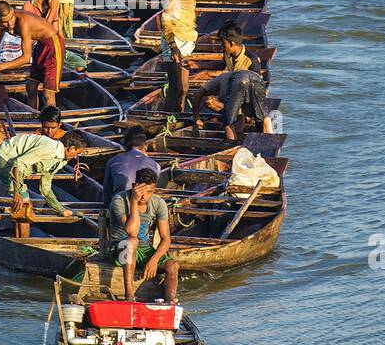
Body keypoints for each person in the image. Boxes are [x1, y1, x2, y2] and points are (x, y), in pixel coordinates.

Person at [0, 126, 89, 231]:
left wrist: (60, 209)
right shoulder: (50, 149)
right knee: (23, 203)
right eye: (77, 153)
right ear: (71, 148)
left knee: (23, 201)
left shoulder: (61, 160)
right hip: (5, 157)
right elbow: (18, 164)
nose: (75, 157)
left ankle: (18, 231)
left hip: (17, 165)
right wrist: (17, 191)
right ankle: (18, 235)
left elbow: (45, 188)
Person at [107, 168, 179, 303]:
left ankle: (170, 303)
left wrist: (154, 260)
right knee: (132, 241)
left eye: (150, 192)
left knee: (173, 266)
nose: (145, 196)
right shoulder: (119, 200)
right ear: (134, 187)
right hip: (120, 249)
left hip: (144, 249)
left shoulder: (158, 203)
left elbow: (166, 239)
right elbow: (131, 232)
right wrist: (134, 202)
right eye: (141, 191)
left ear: (155, 189)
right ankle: (129, 297)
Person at [191, 22, 270, 143]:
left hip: (246, 97)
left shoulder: (251, 61)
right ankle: (232, 120)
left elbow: (256, 89)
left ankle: (239, 126)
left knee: (231, 120)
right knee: (208, 101)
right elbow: (222, 66)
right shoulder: (228, 54)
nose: (221, 46)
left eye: (223, 44)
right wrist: (200, 65)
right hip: (231, 89)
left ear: (232, 44)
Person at [0, 0, 65, 108]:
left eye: (11, 19)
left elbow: (26, 58)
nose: (9, 24)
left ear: (12, 12)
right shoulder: (0, 23)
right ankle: (32, 117)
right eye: (5, 22)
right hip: (40, 45)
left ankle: (51, 122)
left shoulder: (23, 22)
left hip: (53, 45)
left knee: (48, 92)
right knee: (31, 87)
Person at [160, 0, 208, 116]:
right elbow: (165, 17)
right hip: (176, 39)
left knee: (184, 88)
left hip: (188, 36)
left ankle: (177, 119)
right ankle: (166, 123)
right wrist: (173, 47)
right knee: (176, 88)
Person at [103, 126, 161, 201]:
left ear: (125, 146)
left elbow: (106, 193)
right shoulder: (155, 165)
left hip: (119, 204)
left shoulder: (113, 161)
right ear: (145, 145)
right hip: (143, 205)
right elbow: (154, 190)